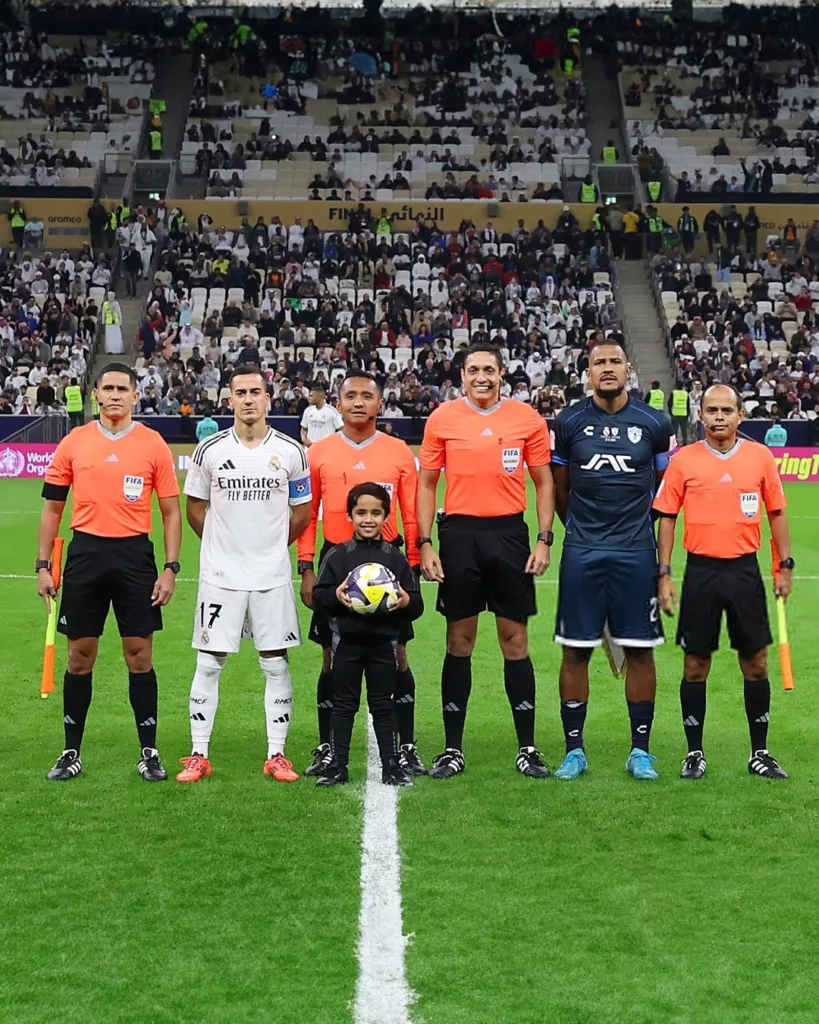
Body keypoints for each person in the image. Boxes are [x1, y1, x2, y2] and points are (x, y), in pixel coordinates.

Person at [37, 364, 181, 782]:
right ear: (96, 394)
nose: (115, 394)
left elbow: (170, 513)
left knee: (140, 656)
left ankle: (149, 752)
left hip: (136, 556)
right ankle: (70, 752)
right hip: (86, 553)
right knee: (79, 658)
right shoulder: (74, 443)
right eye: (108, 388)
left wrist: (170, 568)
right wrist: (43, 565)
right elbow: (52, 509)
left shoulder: (153, 444)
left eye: (123, 388)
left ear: (136, 396)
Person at [417, 342, 555, 779]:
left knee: (515, 641)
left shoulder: (525, 418)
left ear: (501, 374)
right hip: (458, 536)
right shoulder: (443, 419)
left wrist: (544, 539)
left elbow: (543, 480)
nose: (482, 377)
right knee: (460, 641)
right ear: (461, 375)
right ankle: (453, 749)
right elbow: (425, 484)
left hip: (510, 535)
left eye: (489, 370)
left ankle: (528, 748)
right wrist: (423, 542)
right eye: (473, 369)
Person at [176, 366, 313, 783]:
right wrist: (225, 544)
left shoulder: (291, 451)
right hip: (220, 575)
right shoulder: (210, 450)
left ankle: (276, 754)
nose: (249, 399)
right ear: (229, 399)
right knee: (210, 661)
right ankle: (199, 753)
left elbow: (303, 512)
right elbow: (194, 510)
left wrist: (270, 547)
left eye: (256, 391)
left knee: (275, 662)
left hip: (271, 575)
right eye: (241, 392)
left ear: (268, 398)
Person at [654, 384, 793, 780]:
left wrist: (784, 565)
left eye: (726, 410)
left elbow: (777, 512)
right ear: (700, 415)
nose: (718, 417)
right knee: (696, 664)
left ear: (739, 416)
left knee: (757, 662)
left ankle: (760, 752)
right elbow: (666, 516)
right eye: (711, 410)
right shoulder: (684, 461)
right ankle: (694, 752)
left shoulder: (760, 458)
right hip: (700, 571)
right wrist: (664, 574)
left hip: (744, 571)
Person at [550, 342, 676, 781]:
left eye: (614, 362)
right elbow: (561, 491)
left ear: (628, 369)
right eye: (598, 363)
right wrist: (583, 534)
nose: (607, 369)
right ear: (587, 373)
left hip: (637, 555)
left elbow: (664, 496)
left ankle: (640, 750)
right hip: (582, 552)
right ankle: (574, 751)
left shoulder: (655, 423)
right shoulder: (568, 421)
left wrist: (660, 564)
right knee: (576, 651)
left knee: (641, 651)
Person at [298, 371, 425, 777]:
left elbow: (409, 512)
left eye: (366, 396)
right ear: (337, 404)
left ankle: (405, 747)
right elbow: (307, 516)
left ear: (380, 404)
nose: (357, 402)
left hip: (389, 568)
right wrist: (305, 567)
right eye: (349, 396)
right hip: (337, 563)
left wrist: (415, 566)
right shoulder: (318, 452)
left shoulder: (399, 452)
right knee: (332, 658)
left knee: (398, 658)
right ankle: (327, 748)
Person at [312, 483, 424, 787]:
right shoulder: (337, 556)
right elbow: (319, 597)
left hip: (382, 644)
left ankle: (391, 766)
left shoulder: (395, 558)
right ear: (349, 515)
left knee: (383, 705)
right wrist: (335, 596)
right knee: (344, 704)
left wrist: (405, 602)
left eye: (376, 513)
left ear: (386, 516)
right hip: (347, 642)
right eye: (361, 512)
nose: (368, 519)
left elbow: (416, 604)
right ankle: (339, 765)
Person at [300, 383, 343, 447]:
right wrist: (304, 439)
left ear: (319, 397)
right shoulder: (308, 410)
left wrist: (333, 442)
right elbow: (304, 428)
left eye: (311, 396)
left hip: (326, 448)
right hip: (310, 447)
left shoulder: (332, 411)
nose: (309, 398)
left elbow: (341, 429)